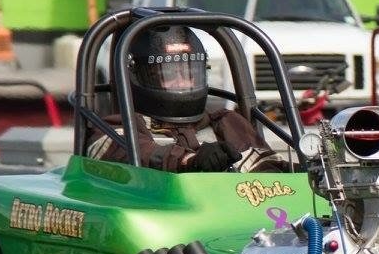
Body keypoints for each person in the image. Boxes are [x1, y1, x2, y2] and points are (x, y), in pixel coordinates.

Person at [89, 23, 282, 173]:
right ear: (137, 75)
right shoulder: (113, 131)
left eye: (190, 73)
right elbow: (132, 153)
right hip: (159, 210)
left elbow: (271, 173)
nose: (182, 82)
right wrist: (190, 160)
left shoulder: (228, 123)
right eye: (169, 74)